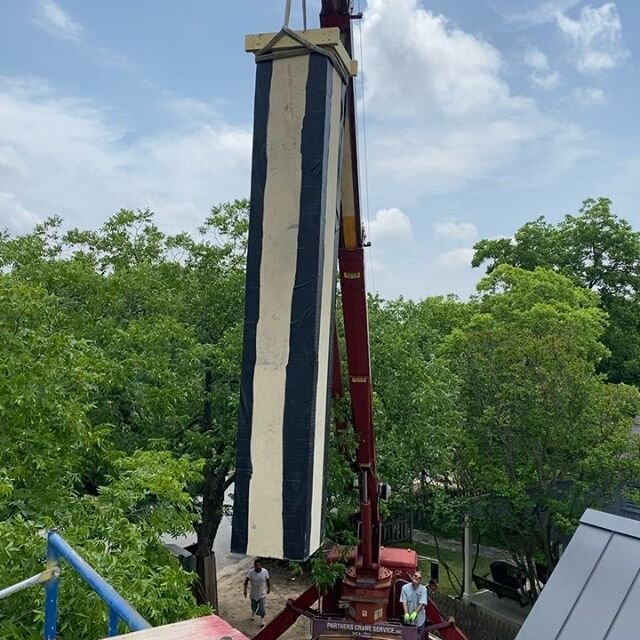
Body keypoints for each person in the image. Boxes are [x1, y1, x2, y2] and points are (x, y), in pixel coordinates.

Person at [400, 571, 428, 640]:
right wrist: (406, 613)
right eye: (415, 576)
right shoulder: (405, 588)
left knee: (418, 638)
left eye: (419, 578)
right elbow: (404, 601)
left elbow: (422, 603)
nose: (416, 578)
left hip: (420, 620)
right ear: (412, 577)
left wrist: (415, 613)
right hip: (408, 620)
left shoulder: (423, 590)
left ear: (420, 581)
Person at [244, 559, 271, 627]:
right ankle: (253, 613)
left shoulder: (265, 572)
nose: (258, 567)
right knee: (254, 607)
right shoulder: (251, 572)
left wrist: (269, 588)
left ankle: (262, 621)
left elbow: (268, 581)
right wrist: (245, 590)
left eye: (259, 565)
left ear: (261, 565)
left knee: (262, 608)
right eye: (256, 565)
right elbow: (246, 581)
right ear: (254, 566)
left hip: (262, 594)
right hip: (253, 594)